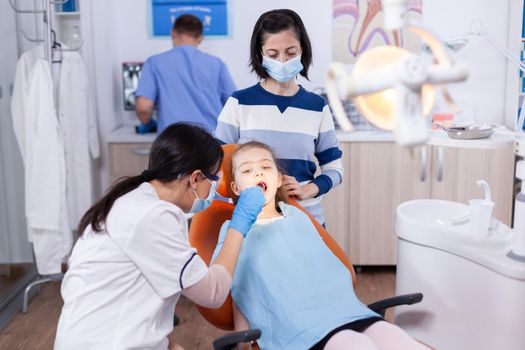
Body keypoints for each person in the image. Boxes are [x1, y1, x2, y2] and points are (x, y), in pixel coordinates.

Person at [54, 124, 265, 350]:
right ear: (195, 178)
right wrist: (238, 225)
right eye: (214, 180)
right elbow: (213, 293)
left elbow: (132, 290)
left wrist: (167, 344)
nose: (214, 189)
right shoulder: (152, 217)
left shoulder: (133, 201)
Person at [212, 141, 430, 350]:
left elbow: (322, 271)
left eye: (265, 167)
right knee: (358, 345)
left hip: (342, 310)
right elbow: (237, 287)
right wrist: (243, 340)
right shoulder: (234, 230)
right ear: (236, 187)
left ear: (278, 179)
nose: (258, 173)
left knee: (395, 337)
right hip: (297, 328)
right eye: (247, 171)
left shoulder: (296, 216)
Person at [214, 9, 343, 225]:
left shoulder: (317, 107)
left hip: (306, 219)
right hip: (253, 221)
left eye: (291, 52)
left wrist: (308, 189)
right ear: (260, 54)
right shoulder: (239, 103)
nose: (282, 61)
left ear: (303, 50)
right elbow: (217, 166)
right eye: (273, 54)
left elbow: (335, 169)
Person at [135, 14, 236, 134]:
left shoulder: (154, 63)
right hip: (210, 141)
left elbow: (143, 107)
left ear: (173, 33)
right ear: (200, 38)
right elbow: (234, 106)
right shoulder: (216, 64)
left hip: (173, 142)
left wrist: (147, 123)